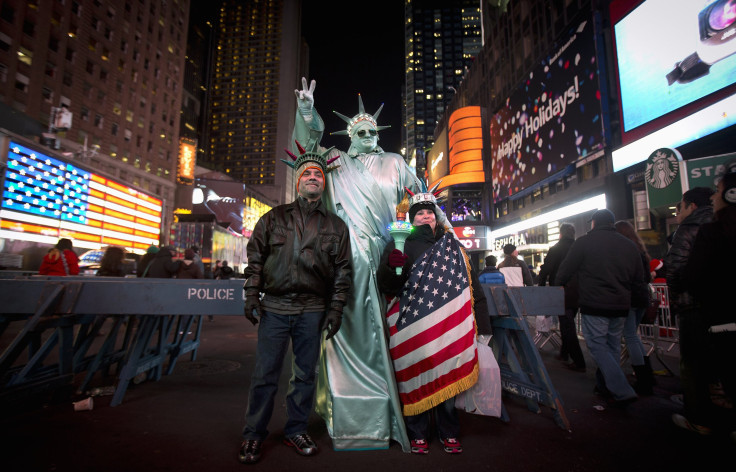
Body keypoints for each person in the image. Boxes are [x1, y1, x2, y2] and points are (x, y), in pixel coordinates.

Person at [292, 77, 431, 451]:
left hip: (391, 255)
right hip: (349, 256)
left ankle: (403, 403)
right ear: (350, 136)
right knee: (352, 326)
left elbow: (419, 199)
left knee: (395, 330)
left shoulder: (395, 162)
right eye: (361, 130)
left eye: (372, 129)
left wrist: (434, 234)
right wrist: (307, 112)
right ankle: (354, 402)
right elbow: (308, 153)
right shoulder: (335, 163)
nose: (368, 133)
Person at [239, 146, 352, 465]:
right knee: (265, 375)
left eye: (319, 174)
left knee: (305, 375)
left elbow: (344, 270)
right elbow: (255, 260)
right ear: (298, 180)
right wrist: (251, 295)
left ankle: (296, 429)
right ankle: (252, 434)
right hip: (275, 307)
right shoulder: (272, 218)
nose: (314, 177)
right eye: (308, 174)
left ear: (324, 183)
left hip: (313, 310)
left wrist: (336, 308)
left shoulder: (336, 226)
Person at [377, 188, 489, 455]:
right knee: (414, 374)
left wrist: (484, 327)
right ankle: (417, 432)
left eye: (430, 212)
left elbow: (472, 287)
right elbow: (386, 285)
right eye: (420, 214)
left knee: (447, 374)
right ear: (412, 219)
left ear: (437, 218)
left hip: (448, 325)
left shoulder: (453, 246)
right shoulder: (397, 243)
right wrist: (393, 267)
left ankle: (449, 431)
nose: (425, 216)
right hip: (410, 326)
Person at [556, 209, 648, 406]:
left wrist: (560, 283)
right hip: (621, 304)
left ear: (594, 223)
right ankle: (604, 386)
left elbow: (566, 269)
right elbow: (638, 278)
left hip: (594, 302)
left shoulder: (584, 243)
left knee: (597, 346)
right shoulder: (629, 246)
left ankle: (621, 389)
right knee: (612, 345)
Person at [678, 171, 736, 437]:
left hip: (718, 316)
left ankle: (701, 418)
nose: (714, 197)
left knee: (704, 367)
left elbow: (692, 274)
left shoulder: (710, 232)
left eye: (719, 190)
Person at [663, 187, 714, 431]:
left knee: (693, 364)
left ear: (691, 206)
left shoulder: (689, 228)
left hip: (693, 305)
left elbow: (674, 269)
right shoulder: (723, 222)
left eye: (679, 207)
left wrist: (677, 297)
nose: (677, 212)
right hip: (722, 307)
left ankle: (698, 418)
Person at [537, 223, 586, 372]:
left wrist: (541, 287)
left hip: (561, 289)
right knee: (568, 322)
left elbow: (546, 269)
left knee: (566, 324)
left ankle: (578, 360)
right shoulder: (579, 247)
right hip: (579, 290)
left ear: (561, 234)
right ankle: (564, 353)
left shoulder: (556, 249)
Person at [614, 220, 655, 395]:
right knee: (634, 336)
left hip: (630, 297)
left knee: (630, 336)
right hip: (642, 297)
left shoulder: (624, 250)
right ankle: (647, 374)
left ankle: (643, 378)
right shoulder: (640, 249)